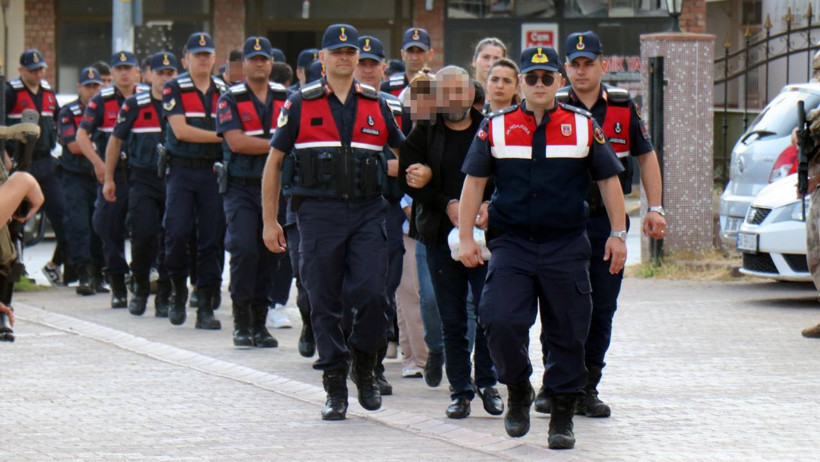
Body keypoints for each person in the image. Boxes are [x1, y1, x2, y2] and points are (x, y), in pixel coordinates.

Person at [458, 45, 626, 449]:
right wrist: (466, 237)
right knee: (498, 319)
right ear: (520, 84)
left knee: (569, 330)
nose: (538, 84)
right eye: (530, 78)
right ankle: (518, 388)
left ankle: (563, 414)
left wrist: (618, 234)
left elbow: (608, 181)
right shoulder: (495, 126)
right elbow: (474, 184)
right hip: (512, 244)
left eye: (546, 77)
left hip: (566, 245)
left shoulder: (583, 125)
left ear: (559, 82)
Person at [262, 24, 404, 421]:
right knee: (323, 301)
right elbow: (274, 163)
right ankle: (336, 385)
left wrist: (418, 172)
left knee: (374, 295)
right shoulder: (299, 103)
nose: (344, 57)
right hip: (317, 214)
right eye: (335, 51)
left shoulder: (377, 104)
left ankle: (364, 362)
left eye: (350, 51)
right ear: (321, 59)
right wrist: (270, 221)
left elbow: (404, 154)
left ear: (359, 57)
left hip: (366, 212)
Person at [533, 31, 666, 418]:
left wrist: (655, 207)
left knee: (601, 307)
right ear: (564, 70)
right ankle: (555, 383)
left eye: (587, 63)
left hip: (609, 227)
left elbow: (647, 158)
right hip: (562, 226)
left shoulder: (623, 107)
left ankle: (587, 386)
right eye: (573, 64)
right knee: (558, 308)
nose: (580, 71)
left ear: (602, 65)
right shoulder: (551, 106)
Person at [399, 66, 502, 420]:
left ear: (473, 94)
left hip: (485, 234)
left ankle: (487, 382)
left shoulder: (490, 128)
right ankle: (460, 390)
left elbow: (506, 176)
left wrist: (488, 206)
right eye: (446, 93)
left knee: (489, 311)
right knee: (451, 315)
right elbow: (407, 178)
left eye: (461, 92)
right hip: (440, 235)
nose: (454, 100)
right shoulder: (425, 130)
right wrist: (445, 200)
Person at [216, 36, 286, 347]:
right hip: (241, 187)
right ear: (243, 64)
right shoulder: (229, 97)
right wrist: (279, 146)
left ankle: (260, 321)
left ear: (271, 63)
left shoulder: (287, 97)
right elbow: (236, 141)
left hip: (276, 188)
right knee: (245, 250)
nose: (259, 63)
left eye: (264, 58)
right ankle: (241, 322)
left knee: (271, 253)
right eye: (253, 58)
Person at [101, 52, 177, 317]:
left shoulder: (179, 103)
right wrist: (109, 178)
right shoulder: (135, 104)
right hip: (142, 179)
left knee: (172, 237)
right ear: (148, 75)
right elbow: (115, 141)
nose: (166, 78)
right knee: (143, 234)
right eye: (161, 73)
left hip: (173, 178)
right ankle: (141, 287)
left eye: (170, 73)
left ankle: (165, 294)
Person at [162, 32, 228, 330]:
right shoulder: (173, 88)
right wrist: (221, 135)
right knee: (176, 232)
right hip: (182, 171)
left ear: (214, 58)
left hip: (212, 171)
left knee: (211, 239)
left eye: (207, 54)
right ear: (186, 58)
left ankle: (204, 303)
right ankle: (177, 290)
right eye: (197, 54)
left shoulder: (224, 90)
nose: (203, 59)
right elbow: (181, 131)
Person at [354, 34, 406, 393]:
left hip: (384, 208)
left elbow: (409, 161)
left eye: (375, 63)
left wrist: (373, 164)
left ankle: (373, 364)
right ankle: (347, 357)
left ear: (385, 68)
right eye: (363, 62)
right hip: (342, 209)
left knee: (380, 292)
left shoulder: (396, 108)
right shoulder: (332, 106)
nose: (368, 69)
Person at [76, 51, 141, 308]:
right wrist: (99, 163)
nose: (124, 73)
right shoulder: (101, 100)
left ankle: (142, 276)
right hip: (115, 176)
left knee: (147, 228)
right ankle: (117, 280)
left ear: (137, 71)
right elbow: (82, 136)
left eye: (129, 67)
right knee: (106, 225)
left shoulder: (148, 97)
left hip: (142, 175)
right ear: (111, 74)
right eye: (119, 68)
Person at [4, 49, 66, 287]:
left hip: (45, 161)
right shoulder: (10, 92)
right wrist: (7, 160)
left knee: (62, 213)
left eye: (41, 69)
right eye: (33, 70)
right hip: (19, 163)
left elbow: (59, 119)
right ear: (21, 71)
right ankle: (15, 268)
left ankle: (60, 264)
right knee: (16, 217)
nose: (38, 73)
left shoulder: (48, 93)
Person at [57, 67, 105, 295]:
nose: (93, 90)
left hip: (100, 176)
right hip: (75, 176)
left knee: (101, 226)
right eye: (88, 86)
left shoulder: (104, 109)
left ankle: (99, 274)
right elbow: (74, 145)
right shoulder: (69, 112)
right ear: (79, 88)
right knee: (78, 225)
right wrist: (97, 145)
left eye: (96, 86)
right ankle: (83, 274)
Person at [381, 27, 435, 99]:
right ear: (403, 54)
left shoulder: (438, 87)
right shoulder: (387, 88)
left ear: (430, 54)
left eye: (420, 51)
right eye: (410, 51)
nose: (415, 57)